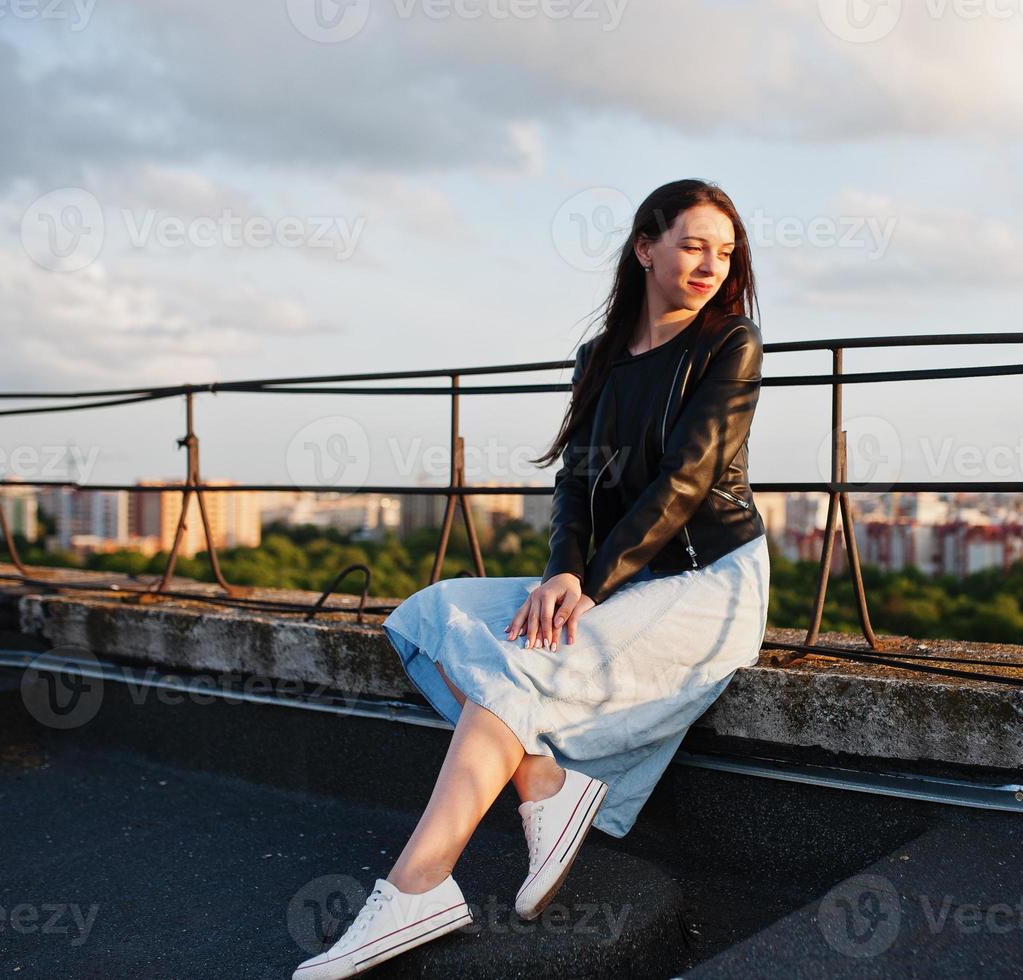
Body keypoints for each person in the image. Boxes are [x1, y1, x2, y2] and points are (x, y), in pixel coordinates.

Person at [292, 179, 771, 979]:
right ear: (644, 247)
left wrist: (589, 583)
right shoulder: (599, 359)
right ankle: (544, 782)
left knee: (519, 658)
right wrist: (560, 571)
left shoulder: (731, 344)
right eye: (692, 244)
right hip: (617, 574)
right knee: (430, 615)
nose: (710, 264)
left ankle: (418, 885)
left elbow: (685, 481)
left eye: (724, 251)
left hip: (704, 580)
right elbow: (575, 487)